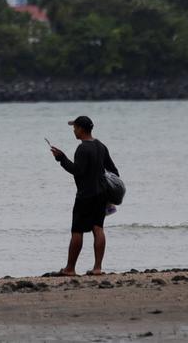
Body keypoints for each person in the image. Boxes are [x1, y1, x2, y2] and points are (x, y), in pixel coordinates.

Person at [49, 115, 119, 276]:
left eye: (75, 127)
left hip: (85, 195)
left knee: (77, 230)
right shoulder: (101, 146)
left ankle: (70, 269)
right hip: (101, 195)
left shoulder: (82, 148)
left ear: (81, 129)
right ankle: (97, 268)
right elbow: (114, 171)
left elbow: (77, 171)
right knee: (98, 228)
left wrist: (61, 158)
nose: (74, 130)